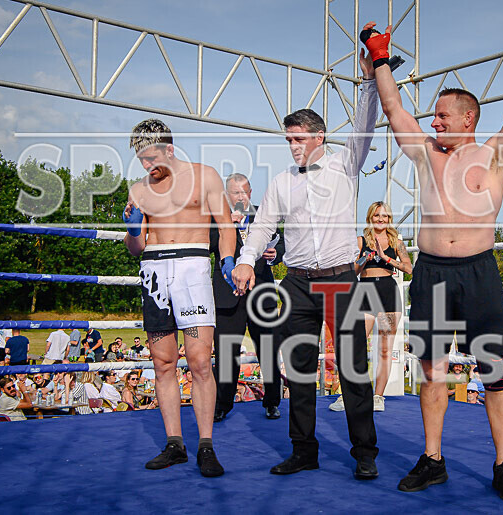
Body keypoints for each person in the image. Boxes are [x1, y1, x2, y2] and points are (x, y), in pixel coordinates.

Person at [361, 9, 503, 502]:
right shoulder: (425, 152)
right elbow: (394, 107)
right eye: (434, 114)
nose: (433, 120)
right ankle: (433, 458)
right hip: (432, 274)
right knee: (431, 369)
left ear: (468, 118)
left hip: (478, 272)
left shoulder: (494, 154)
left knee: (495, 370)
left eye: (443, 114)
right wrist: (380, 57)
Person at [232, 47, 379, 481]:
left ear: (319, 137)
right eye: (288, 140)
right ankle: (303, 450)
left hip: (341, 280)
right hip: (296, 284)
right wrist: (244, 260)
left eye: (299, 139)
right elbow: (260, 228)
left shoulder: (345, 165)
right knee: (297, 369)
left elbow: (365, 126)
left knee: (353, 370)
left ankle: (364, 452)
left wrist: (369, 81)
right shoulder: (280, 182)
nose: (293, 147)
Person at [123, 118, 237, 478]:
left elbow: (226, 225)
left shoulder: (205, 176)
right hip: (154, 270)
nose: (147, 165)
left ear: (170, 149)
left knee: (201, 360)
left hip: (193, 268)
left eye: (151, 157)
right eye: (141, 159)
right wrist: (131, 230)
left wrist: (229, 261)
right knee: (163, 361)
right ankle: (175, 443)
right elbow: (135, 247)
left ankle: (206, 445)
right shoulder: (138, 190)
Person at [211, 173, 285, 422]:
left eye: (245, 192)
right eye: (236, 193)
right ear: (227, 195)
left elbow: (283, 244)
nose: (241, 197)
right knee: (225, 352)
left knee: (268, 349)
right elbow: (208, 245)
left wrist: (275, 254)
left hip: (260, 293)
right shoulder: (217, 218)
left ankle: (273, 401)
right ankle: (222, 404)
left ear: (251, 192)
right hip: (227, 294)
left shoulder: (264, 216)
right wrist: (225, 228)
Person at [339, 201, 412, 412]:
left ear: (389, 219)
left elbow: (408, 268)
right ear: (370, 217)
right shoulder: (361, 241)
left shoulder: (396, 242)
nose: (381, 219)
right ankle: (350, 395)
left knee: (385, 349)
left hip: (388, 293)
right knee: (357, 346)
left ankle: (378, 396)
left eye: (385, 216)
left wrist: (386, 257)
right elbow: (351, 272)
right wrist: (364, 259)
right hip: (366, 292)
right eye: (377, 215)